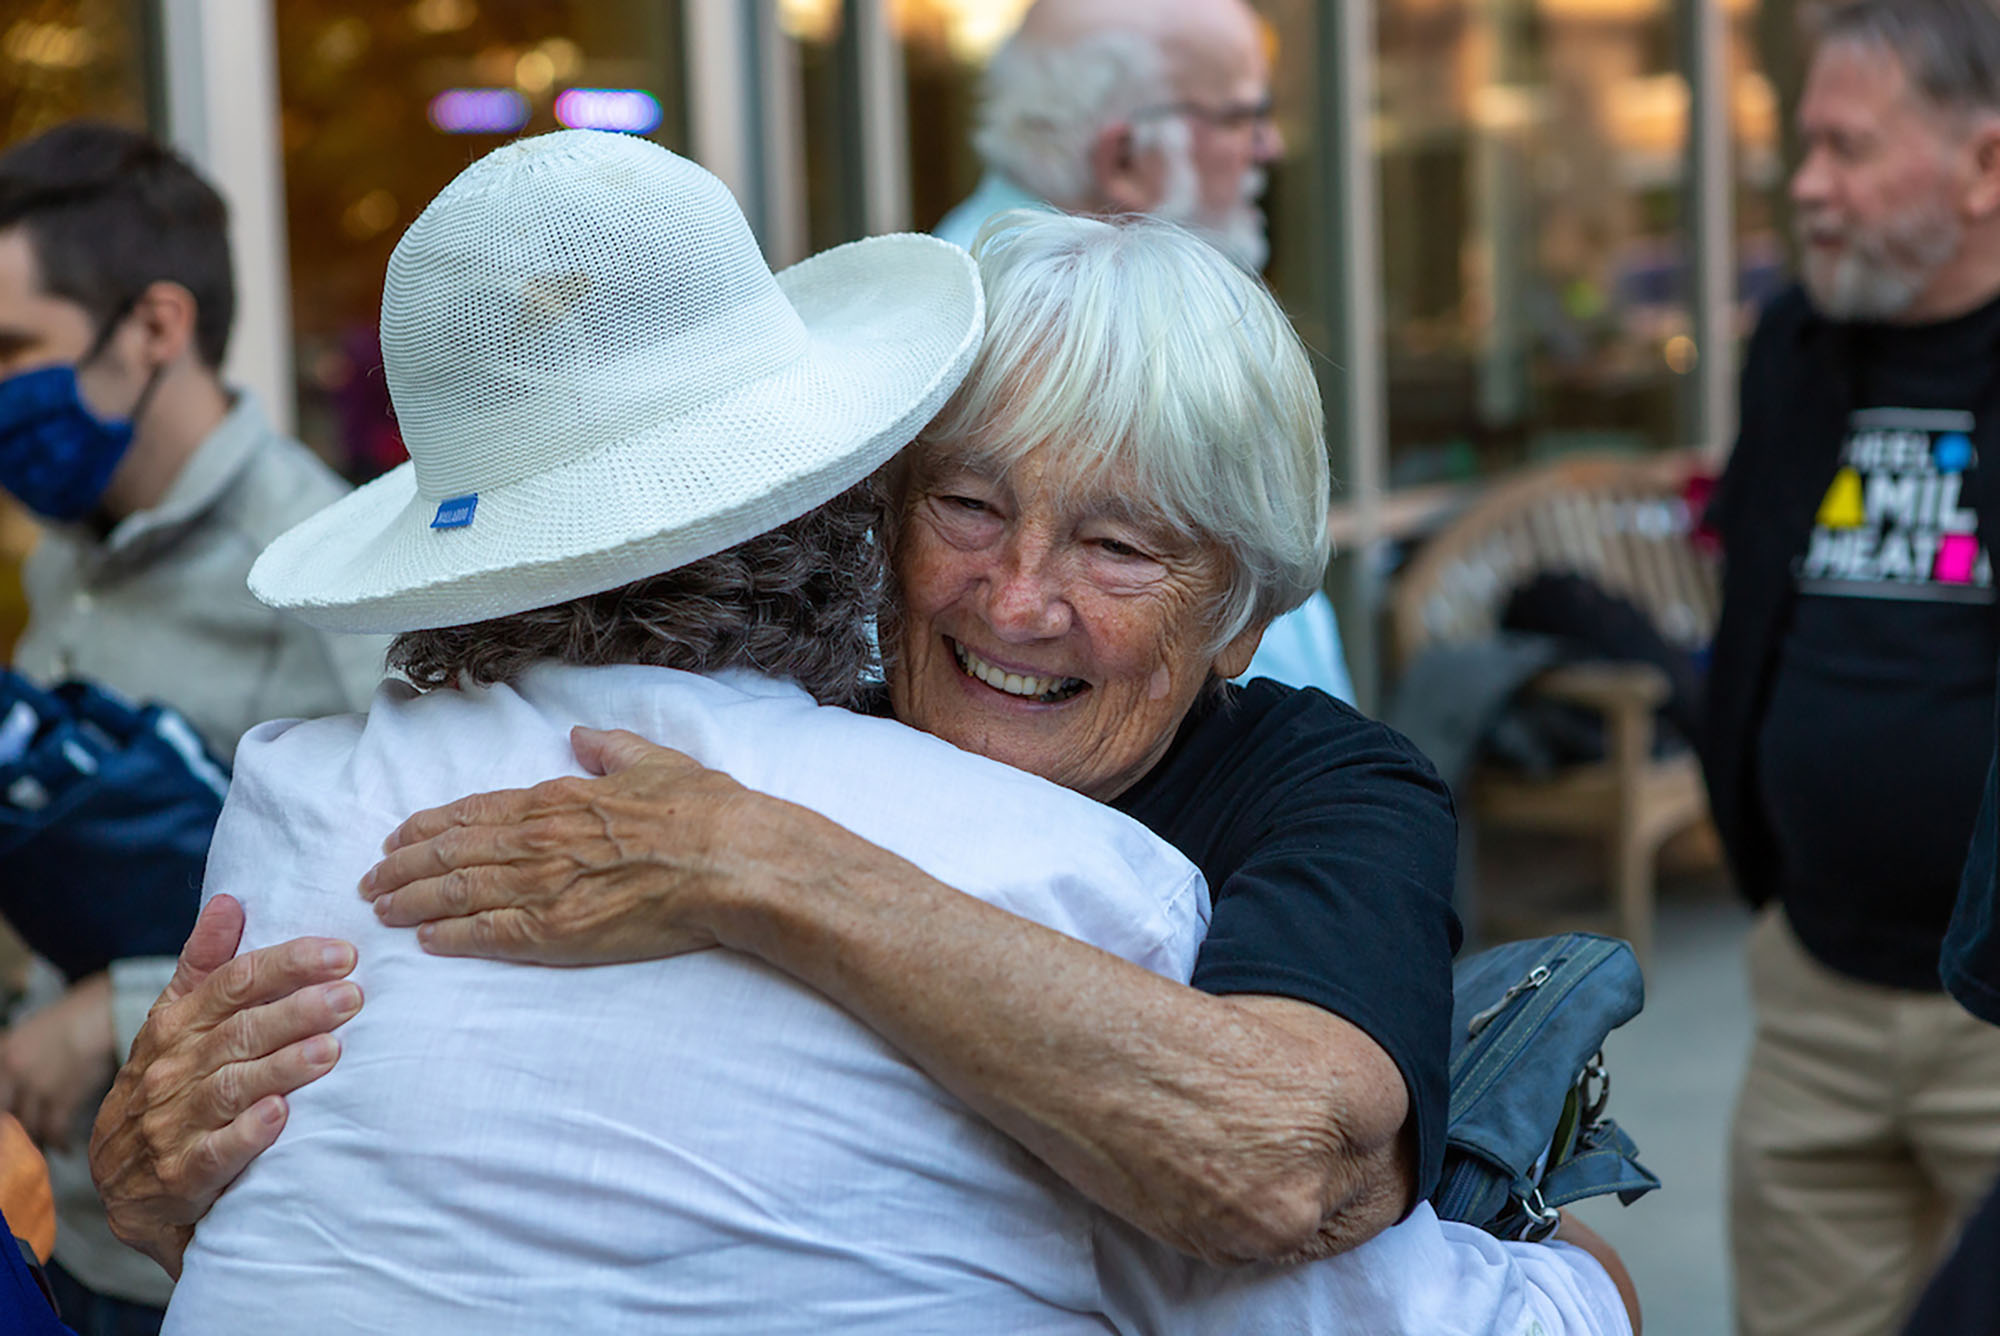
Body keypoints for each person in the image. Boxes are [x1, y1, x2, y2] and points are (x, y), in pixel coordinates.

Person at [157, 129, 1630, 1334]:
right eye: (968, 508)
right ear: (880, 512)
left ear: (1242, 619)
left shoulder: (1304, 795)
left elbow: (1295, 1169)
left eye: (1120, 548)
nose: (1019, 599)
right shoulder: (785, 716)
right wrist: (163, 1171)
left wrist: (757, 862)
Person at [0, 122, 385, 1328]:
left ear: (157, 327)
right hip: (44, 1221)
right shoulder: (67, 560)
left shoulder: (330, 579)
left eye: (12, 348)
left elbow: (400, 922)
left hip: (199, 1263)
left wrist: (112, 1013)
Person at [1702, 3, 2000, 1333]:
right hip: (1812, 988)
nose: (1806, 186)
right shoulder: (1796, 352)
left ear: (1986, 167)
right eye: (1801, 145)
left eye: (1849, 149)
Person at [934, 0, 1353, 702]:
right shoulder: (1019, 334)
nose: (1270, 147)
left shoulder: (951, 295)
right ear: (1126, 156)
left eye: (1114, 545)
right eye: (1242, 116)